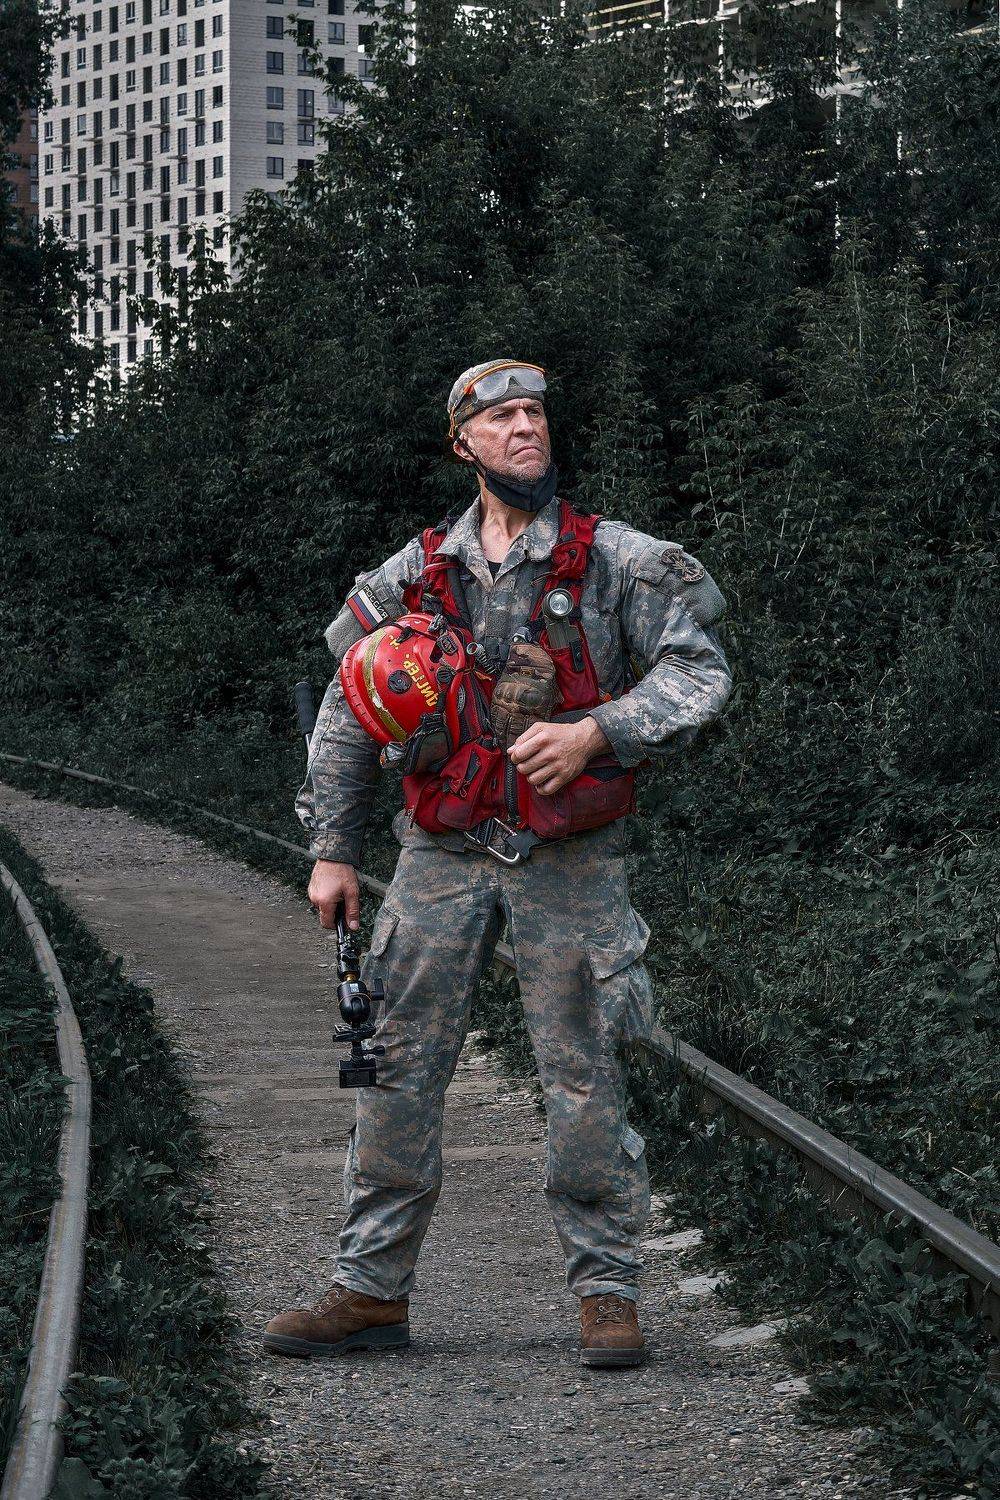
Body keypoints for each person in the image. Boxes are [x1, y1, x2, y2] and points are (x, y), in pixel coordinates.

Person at [262, 359, 732, 1368]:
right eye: (503, 417)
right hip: (438, 854)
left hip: (569, 859)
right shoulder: (413, 573)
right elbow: (347, 710)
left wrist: (598, 731)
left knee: (585, 1073)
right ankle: (369, 1289)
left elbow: (701, 673)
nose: (526, 428)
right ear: (463, 444)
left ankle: (606, 1292)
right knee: (395, 1068)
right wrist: (332, 850)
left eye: (535, 413)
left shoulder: (616, 561)